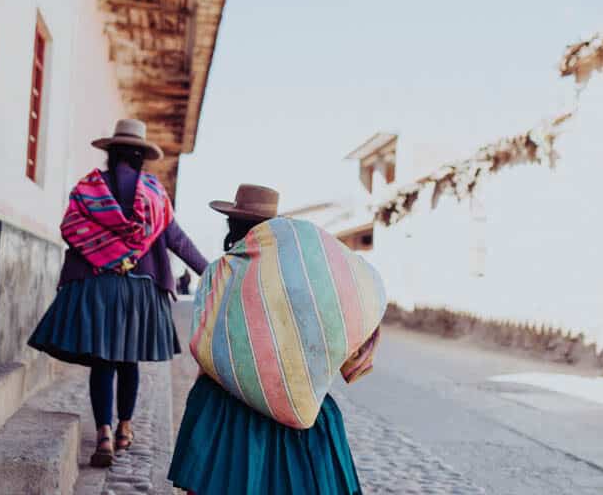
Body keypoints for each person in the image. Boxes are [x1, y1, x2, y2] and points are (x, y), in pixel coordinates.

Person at [29, 119, 207, 468]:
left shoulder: (88, 189)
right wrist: (213, 273)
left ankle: (104, 434)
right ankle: (126, 428)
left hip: (98, 286)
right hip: (140, 292)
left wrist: (104, 251)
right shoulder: (155, 195)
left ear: (110, 153)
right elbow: (177, 241)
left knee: (103, 362)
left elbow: (71, 229)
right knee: (128, 361)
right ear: (141, 157)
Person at [168, 184, 364, 495]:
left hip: (227, 399)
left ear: (232, 225)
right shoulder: (304, 278)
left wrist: (204, 411)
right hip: (293, 395)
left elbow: (205, 343)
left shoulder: (221, 272)